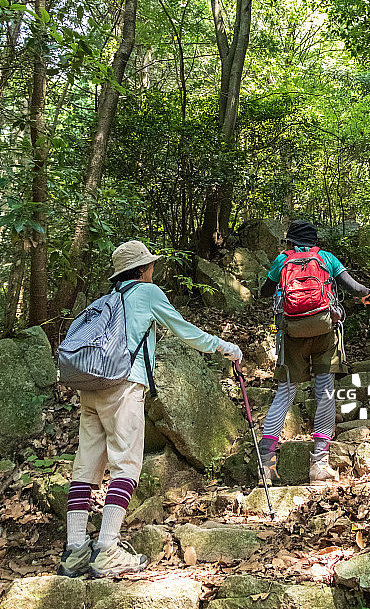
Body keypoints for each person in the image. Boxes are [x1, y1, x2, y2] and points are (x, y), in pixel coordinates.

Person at [59, 240, 242, 579]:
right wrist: (225, 347)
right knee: (126, 464)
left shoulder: (105, 301)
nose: (153, 270)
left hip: (91, 387)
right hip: (125, 386)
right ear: (142, 270)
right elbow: (188, 333)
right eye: (150, 266)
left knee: (85, 467)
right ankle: (108, 549)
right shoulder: (147, 293)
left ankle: (74, 550)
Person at [258, 221, 370, 484]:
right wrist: (368, 295)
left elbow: (264, 291)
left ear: (290, 241)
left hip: (292, 335)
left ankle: (266, 465)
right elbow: (354, 288)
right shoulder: (326, 258)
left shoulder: (282, 260)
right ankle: (319, 465)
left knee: (285, 393)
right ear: (313, 241)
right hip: (325, 331)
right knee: (324, 392)